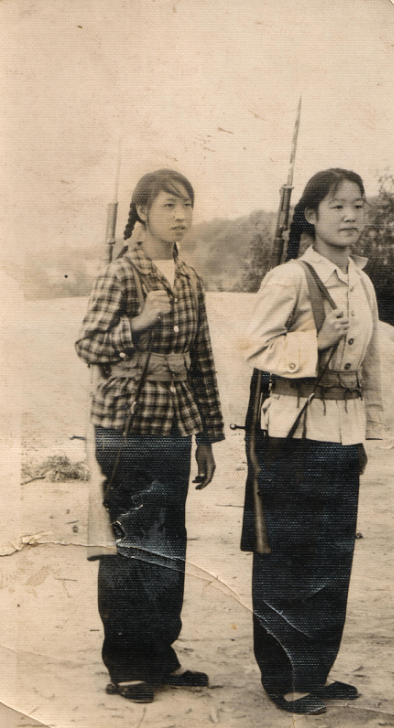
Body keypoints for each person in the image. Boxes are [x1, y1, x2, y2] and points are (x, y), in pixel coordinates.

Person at [76, 169, 224, 704]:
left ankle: (160, 654)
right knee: (127, 545)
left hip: (174, 425)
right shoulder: (120, 273)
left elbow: (202, 359)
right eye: (168, 206)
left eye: (186, 205)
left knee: (168, 543)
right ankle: (125, 665)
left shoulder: (189, 277)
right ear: (142, 212)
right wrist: (137, 323)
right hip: (124, 425)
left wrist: (207, 436)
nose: (180, 216)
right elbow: (88, 344)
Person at [242, 168, 383, 715]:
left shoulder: (362, 282)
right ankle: (284, 678)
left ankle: (315, 671)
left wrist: (368, 429)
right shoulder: (289, 278)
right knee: (288, 559)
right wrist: (314, 341)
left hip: (343, 434)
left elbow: (371, 363)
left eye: (358, 205)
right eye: (337, 206)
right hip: (294, 436)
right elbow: (255, 348)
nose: (350, 216)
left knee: (332, 558)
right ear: (310, 215)